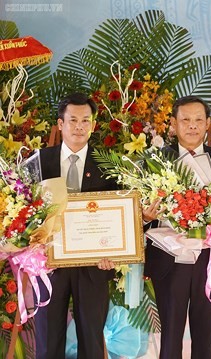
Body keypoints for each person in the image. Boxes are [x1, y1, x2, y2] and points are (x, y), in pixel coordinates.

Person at [142, 95, 211, 359]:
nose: (192, 126)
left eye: (199, 120)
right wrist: (144, 216)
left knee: (205, 339)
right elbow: (142, 214)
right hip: (169, 260)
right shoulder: (156, 161)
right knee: (170, 339)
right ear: (173, 124)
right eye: (185, 120)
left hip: (210, 260)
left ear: (208, 123)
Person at [35, 92, 117, 359]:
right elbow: (25, 210)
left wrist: (114, 251)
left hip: (93, 265)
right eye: (73, 120)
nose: (79, 126)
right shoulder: (39, 162)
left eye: (86, 120)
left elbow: (117, 215)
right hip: (50, 264)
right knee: (48, 341)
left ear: (93, 125)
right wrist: (33, 252)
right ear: (60, 124)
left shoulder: (108, 164)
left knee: (92, 342)